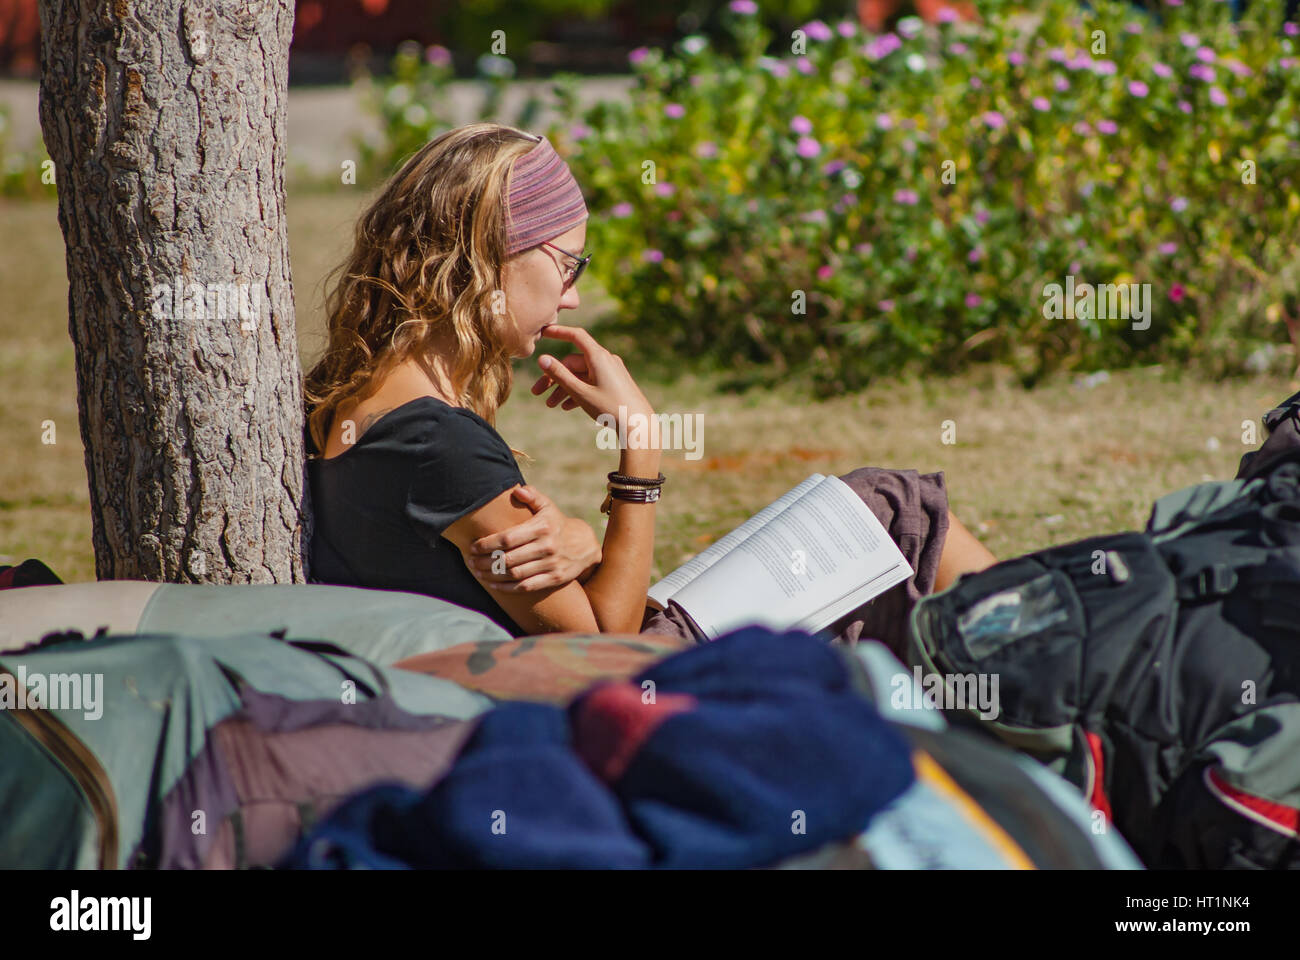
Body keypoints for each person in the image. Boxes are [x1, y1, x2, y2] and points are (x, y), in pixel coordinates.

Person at [303, 122, 996, 652]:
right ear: (490, 254)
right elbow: (606, 643)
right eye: (568, 265)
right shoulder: (436, 443)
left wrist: (587, 543)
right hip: (608, 692)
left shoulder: (347, 398)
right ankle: (1062, 691)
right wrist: (640, 448)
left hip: (527, 686)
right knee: (889, 511)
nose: (572, 299)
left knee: (876, 521)